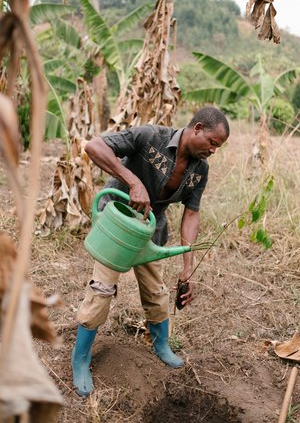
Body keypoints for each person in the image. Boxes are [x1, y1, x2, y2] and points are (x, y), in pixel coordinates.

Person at [72, 106, 229, 396]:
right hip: (117, 226)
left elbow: (191, 214)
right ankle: (81, 359)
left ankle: (161, 345)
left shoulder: (200, 171)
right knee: (101, 291)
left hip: (150, 231)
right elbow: (93, 146)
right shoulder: (149, 136)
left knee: (157, 292)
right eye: (212, 143)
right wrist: (133, 181)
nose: (213, 151)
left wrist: (187, 263)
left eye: (217, 147)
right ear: (197, 129)